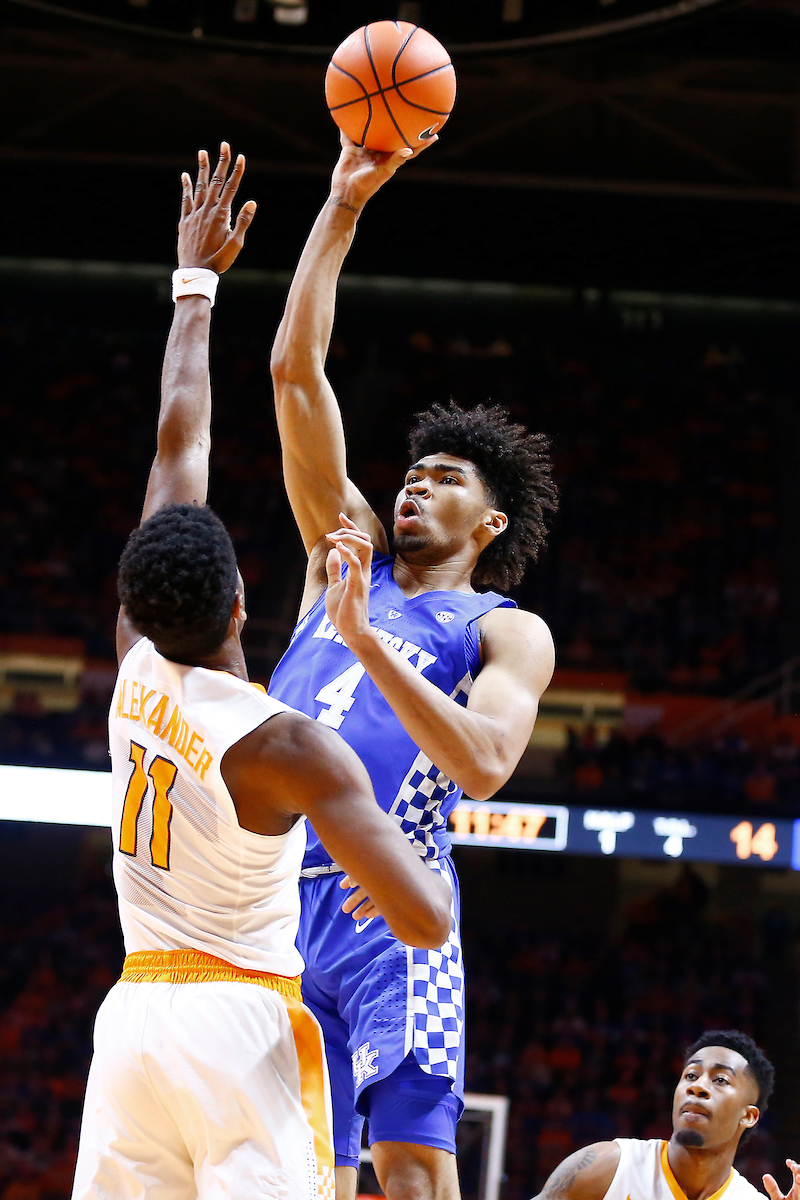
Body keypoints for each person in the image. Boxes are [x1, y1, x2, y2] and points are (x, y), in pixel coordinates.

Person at [71, 142, 451, 1200]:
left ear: (136, 608)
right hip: (241, 1026)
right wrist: (403, 858)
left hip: (134, 1023)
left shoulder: (131, 669)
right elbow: (424, 921)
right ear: (243, 604)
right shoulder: (288, 746)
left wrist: (196, 291)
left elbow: (174, 443)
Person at [268, 134, 558, 1200]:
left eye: (440, 481)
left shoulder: (501, 627)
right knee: (293, 1174)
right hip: (267, 905)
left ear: (486, 521)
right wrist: (342, 207)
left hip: (392, 906)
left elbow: (482, 762)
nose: (410, 489)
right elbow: (295, 377)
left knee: (413, 1172)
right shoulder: (340, 557)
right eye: (407, 474)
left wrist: (363, 646)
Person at [529, 1031, 799, 1200]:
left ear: (748, 1116)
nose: (697, 1086)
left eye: (720, 1080)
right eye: (691, 1075)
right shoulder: (606, 1168)